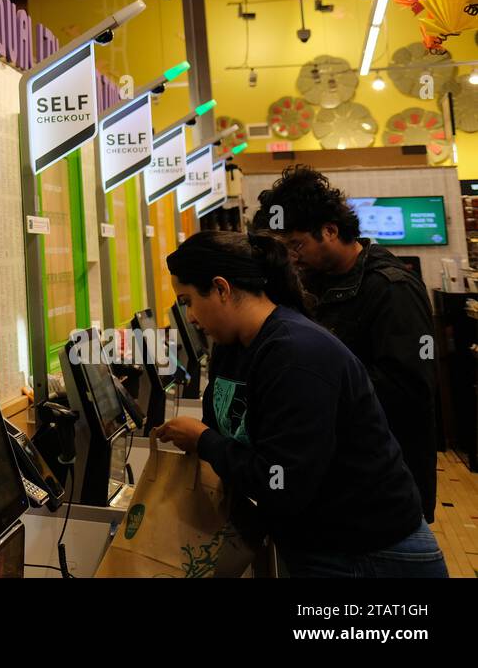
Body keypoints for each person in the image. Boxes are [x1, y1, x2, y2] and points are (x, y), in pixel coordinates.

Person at [155, 230, 447, 578]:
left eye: (187, 301)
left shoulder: (297, 354)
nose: (188, 317)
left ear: (221, 288)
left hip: (368, 555)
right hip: (319, 545)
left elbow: (283, 483)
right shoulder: (234, 348)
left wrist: (203, 441)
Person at [250, 165, 436, 521]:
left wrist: (315, 385)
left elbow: (410, 389)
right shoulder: (314, 284)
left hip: (384, 494)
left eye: (296, 245)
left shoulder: (390, 288)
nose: (291, 257)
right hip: (341, 487)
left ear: (330, 231)